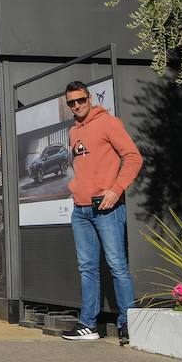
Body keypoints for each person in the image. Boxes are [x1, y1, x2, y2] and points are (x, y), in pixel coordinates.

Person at [60, 80, 143, 345]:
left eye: (80, 100)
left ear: (90, 98)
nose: (77, 106)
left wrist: (116, 190)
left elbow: (133, 157)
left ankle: (128, 323)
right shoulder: (73, 132)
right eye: (71, 102)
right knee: (87, 268)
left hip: (106, 208)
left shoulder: (108, 122)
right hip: (80, 210)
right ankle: (88, 325)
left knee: (117, 266)